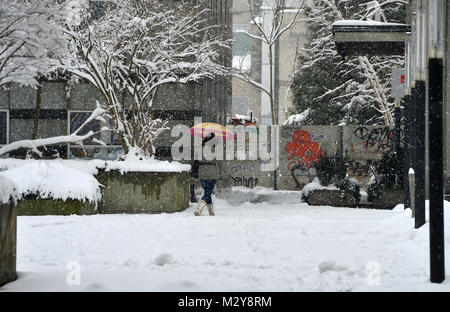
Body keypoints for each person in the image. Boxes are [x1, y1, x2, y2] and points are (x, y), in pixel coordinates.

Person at [190, 133, 219, 216]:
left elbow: (196, 160)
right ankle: (199, 209)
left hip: (202, 172)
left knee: (207, 191)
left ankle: (211, 211)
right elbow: (219, 162)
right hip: (213, 172)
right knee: (208, 191)